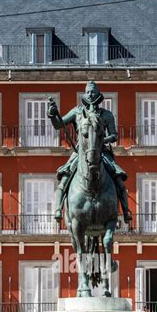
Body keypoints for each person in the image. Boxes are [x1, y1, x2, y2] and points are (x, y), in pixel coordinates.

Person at [47, 81, 132, 224]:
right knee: (65, 176)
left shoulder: (107, 115)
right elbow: (58, 125)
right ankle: (58, 208)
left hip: (101, 151)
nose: (90, 94)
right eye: (88, 92)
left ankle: (125, 210)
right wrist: (52, 114)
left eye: (93, 92)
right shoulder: (77, 112)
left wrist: (100, 141)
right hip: (81, 151)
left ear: (98, 94)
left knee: (118, 178)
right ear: (84, 94)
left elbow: (114, 136)